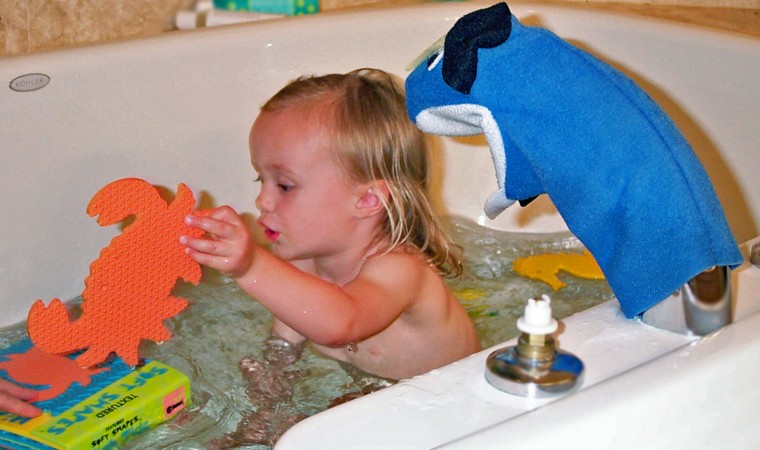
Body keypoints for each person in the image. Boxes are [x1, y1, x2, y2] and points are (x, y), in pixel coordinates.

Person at [181, 68, 480, 381]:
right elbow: (282, 354)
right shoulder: (299, 264)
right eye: (261, 180)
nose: (262, 201)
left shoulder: (401, 270)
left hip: (456, 405)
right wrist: (258, 420)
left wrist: (251, 265)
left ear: (367, 200)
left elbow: (342, 322)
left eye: (283, 185)